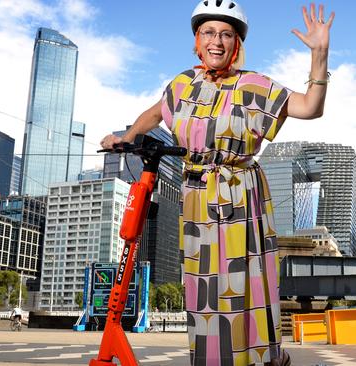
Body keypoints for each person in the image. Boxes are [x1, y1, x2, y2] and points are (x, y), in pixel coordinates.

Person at [100, 1, 333, 364]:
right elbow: (156, 111)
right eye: (209, 32)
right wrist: (126, 135)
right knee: (204, 288)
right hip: (197, 195)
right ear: (197, 39)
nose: (217, 41)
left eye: (226, 34)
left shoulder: (255, 85)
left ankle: (263, 358)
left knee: (245, 282)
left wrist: (320, 53)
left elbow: (309, 106)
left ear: (237, 43)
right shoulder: (183, 84)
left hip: (241, 191)